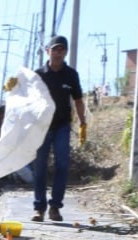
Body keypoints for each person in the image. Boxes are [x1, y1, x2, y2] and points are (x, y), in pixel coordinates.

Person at [32, 35, 87, 222]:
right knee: (40, 167)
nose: (58, 52)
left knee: (62, 166)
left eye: (62, 49)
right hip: (42, 127)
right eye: (55, 49)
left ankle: (55, 207)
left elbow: (78, 100)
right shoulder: (38, 74)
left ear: (66, 52)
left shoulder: (71, 75)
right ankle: (39, 208)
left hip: (62, 125)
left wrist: (83, 123)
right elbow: (27, 99)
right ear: (48, 51)